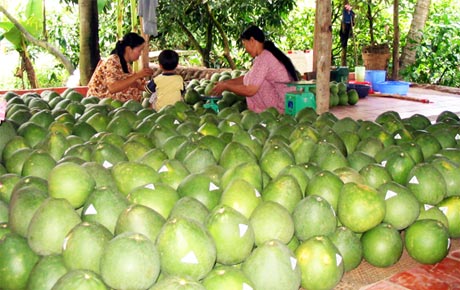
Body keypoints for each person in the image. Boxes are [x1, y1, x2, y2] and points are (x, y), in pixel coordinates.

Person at [211, 25, 299, 114]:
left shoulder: (265, 57)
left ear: (252, 40)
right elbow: (248, 77)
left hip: (283, 106)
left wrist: (227, 87)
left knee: (255, 84)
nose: (245, 49)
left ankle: (263, 112)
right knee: (252, 79)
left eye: (244, 44)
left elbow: (250, 90)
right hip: (286, 102)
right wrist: (224, 83)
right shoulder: (264, 56)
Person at [87, 32, 154, 103]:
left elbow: (138, 85)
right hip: (100, 104)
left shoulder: (126, 65)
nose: (140, 54)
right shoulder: (112, 61)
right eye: (139, 51)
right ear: (129, 49)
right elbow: (112, 88)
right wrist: (137, 75)